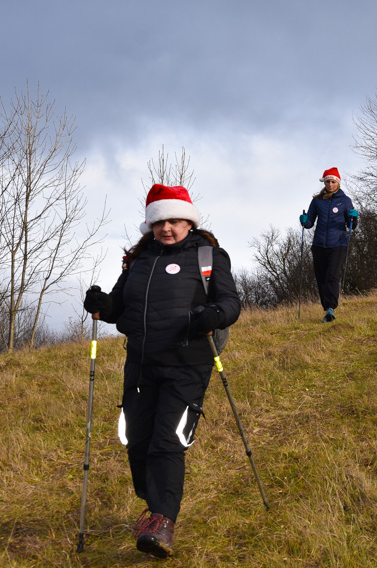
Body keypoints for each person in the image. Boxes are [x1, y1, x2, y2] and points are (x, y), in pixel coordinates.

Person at [83, 184, 241, 558]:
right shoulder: (138, 261)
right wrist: (101, 304)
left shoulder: (209, 255)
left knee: (166, 441)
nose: (166, 228)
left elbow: (230, 302)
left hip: (187, 364)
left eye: (173, 220)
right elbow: (119, 310)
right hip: (140, 365)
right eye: (158, 222)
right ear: (150, 225)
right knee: (137, 441)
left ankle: (162, 521)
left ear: (188, 221)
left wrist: (213, 315)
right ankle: (153, 505)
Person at [300, 167, 358, 322]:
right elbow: (310, 222)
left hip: (338, 244)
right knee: (321, 277)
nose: (330, 184)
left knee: (332, 275)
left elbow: (350, 223)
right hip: (319, 244)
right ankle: (327, 309)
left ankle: (331, 307)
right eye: (328, 182)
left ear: (337, 183)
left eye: (333, 182)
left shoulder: (345, 200)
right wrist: (305, 221)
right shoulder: (317, 201)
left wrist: (354, 218)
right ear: (324, 183)